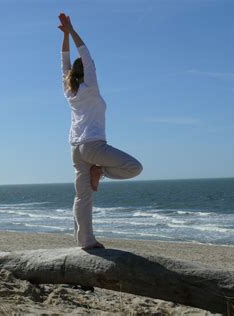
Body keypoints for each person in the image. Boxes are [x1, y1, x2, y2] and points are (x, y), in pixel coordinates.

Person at [58, 13, 143, 250]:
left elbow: (63, 61)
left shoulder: (70, 91)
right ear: (86, 71)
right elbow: (86, 55)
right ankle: (101, 170)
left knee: (82, 197)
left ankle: (85, 242)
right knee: (134, 167)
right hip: (93, 146)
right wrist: (71, 31)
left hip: (75, 148)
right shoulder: (91, 86)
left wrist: (64, 36)